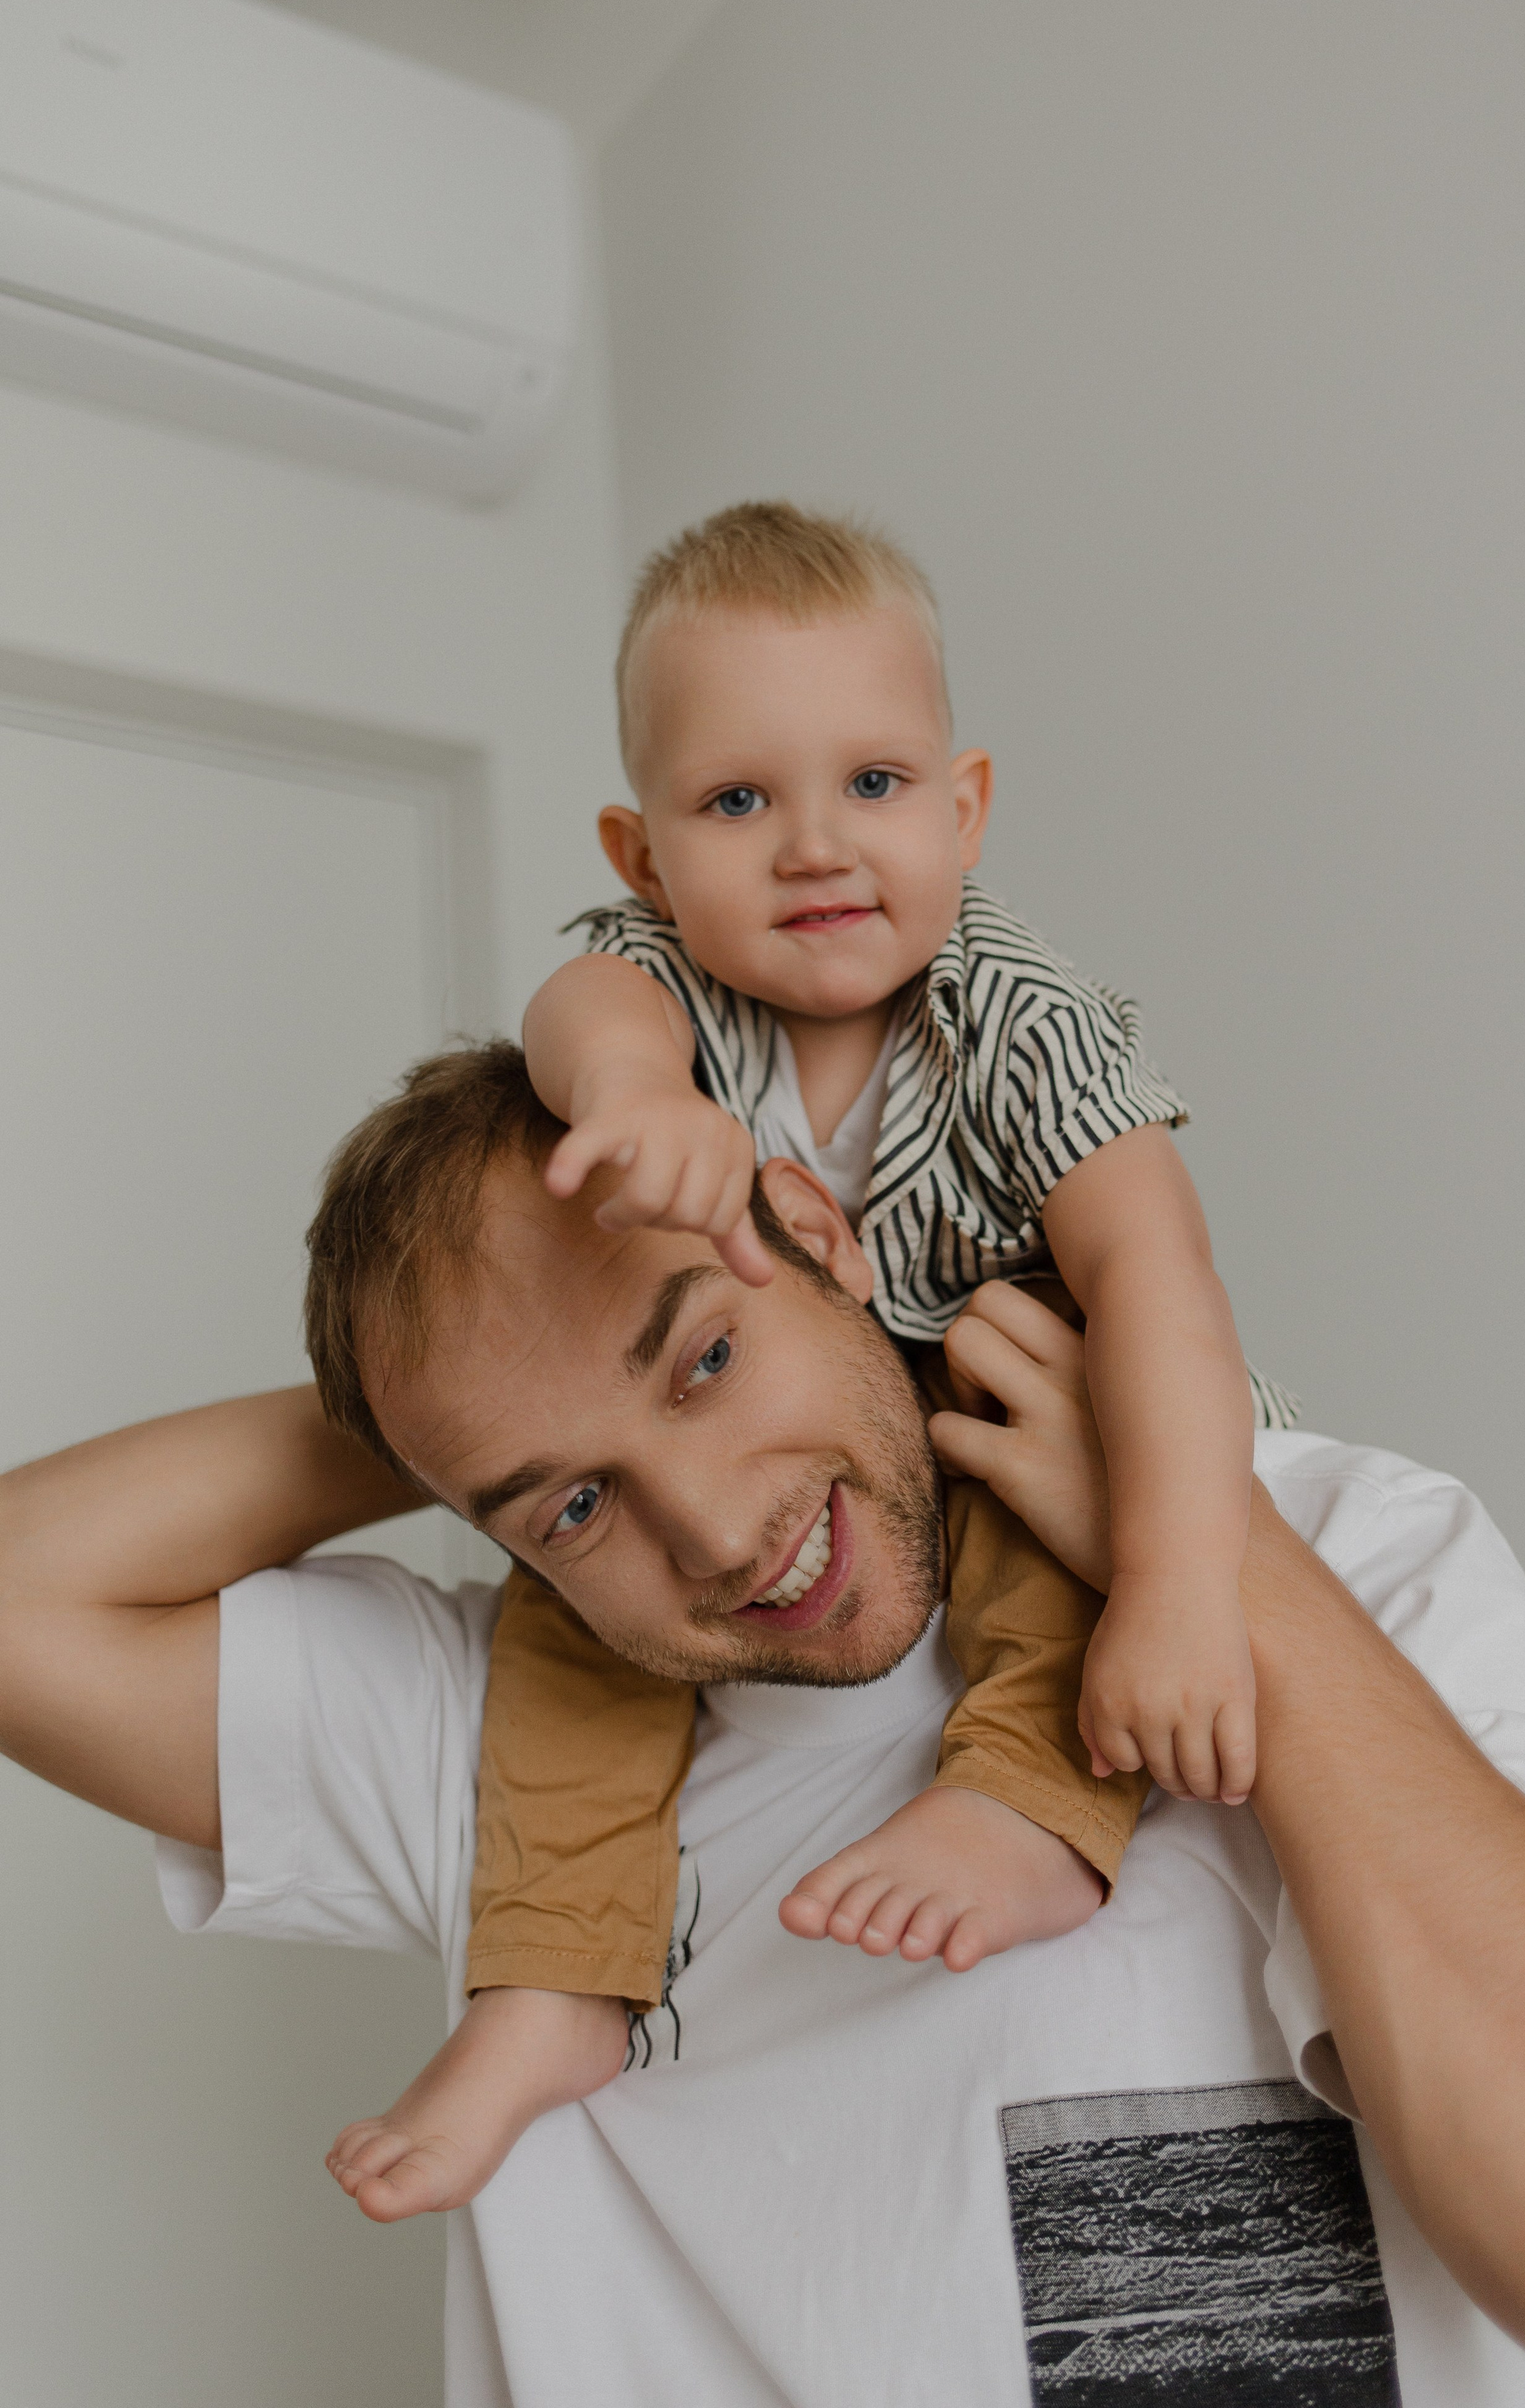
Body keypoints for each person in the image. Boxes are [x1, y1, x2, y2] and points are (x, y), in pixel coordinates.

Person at [2, 1040, 1525, 2408]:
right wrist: (464, 1388)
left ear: (816, 1231)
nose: (721, 1535)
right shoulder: (510, 1743)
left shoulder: (1350, 1553)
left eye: (703, 1358)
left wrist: (1211, 1558)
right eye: (577, 1503)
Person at [383, 499, 1299, 2215]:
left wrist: (1180, 1578)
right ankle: (555, 1981)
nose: (813, 846)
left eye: (872, 787)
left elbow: (1162, 1282)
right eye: (738, 802)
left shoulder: (1023, 1018)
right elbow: (581, 1023)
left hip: (1011, 1408)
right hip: (785, 1437)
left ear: (963, 811)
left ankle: (1030, 1814)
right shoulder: (658, 995)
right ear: (644, 858)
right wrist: (636, 1100)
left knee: (1054, 1523)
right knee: (572, 1627)